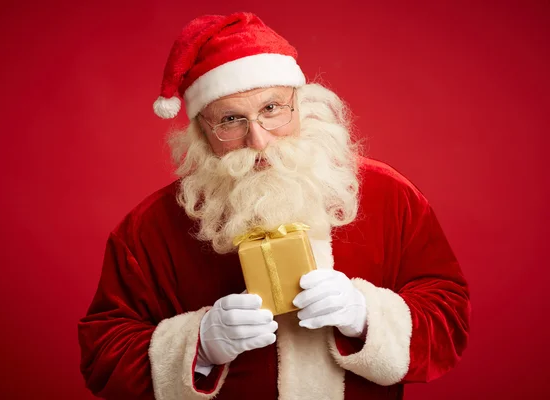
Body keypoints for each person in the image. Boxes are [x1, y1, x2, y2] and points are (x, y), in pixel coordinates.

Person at [77, 12, 470, 400]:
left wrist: (366, 316)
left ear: (300, 102)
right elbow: (103, 355)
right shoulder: (152, 225)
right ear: (200, 132)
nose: (259, 140)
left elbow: (448, 314)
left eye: (272, 109)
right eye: (231, 120)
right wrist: (199, 346)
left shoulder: (388, 193)